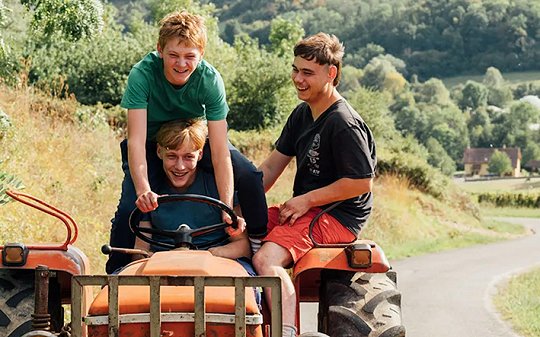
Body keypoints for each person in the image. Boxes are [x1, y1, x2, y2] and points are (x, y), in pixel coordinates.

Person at [106, 10, 267, 274]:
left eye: (190, 56)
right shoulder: (142, 75)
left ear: (201, 55)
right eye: (174, 55)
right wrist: (143, 190)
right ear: (160, 50)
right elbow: (135, 141)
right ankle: (115, 273)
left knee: (248, 175)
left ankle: (258, 245)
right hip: (152, 143)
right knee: (128, 209)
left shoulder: (210, 80)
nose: (181, 64)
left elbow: (219, 151)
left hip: (193, 139)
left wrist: (227, 207)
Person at [252, 33, 376, 337]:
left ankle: (288, 332)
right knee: (237, 232)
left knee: (265, 258)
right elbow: (270, 167)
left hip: (337, 216)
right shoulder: (302, 113)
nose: (298, 79)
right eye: (295, 70)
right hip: (308, 210)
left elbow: (362, 182)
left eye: (307, 73)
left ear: (330, 73)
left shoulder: (343, 122)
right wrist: (237, 206)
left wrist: (306, 200)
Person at [132, 119, 252, 267]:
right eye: (172, 156)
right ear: (159, 152)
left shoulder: (219, 187)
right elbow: (141, 250)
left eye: (188, 157)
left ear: (200, 154)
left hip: (216, 265)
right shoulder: (150, 191)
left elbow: (242, 246)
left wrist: (205, 255)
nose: (180, 166)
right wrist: (158, 259)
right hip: (163, 266)